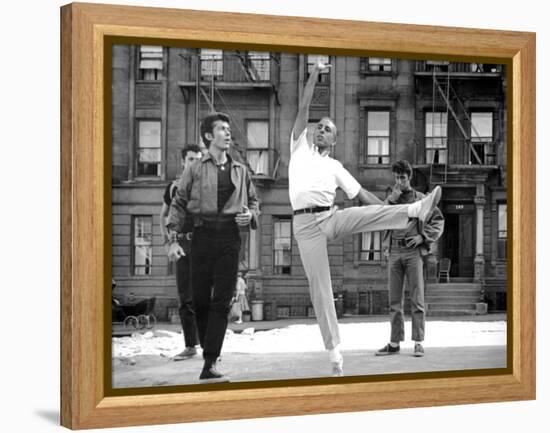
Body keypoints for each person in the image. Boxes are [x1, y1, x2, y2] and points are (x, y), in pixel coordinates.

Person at [289, 60, 442, 377]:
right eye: (319, 126)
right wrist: (316, 73)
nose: (320, 129)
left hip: (330, 217)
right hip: (305, 227)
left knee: (366, 212)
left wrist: (390, 213)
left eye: (328, 129)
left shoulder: (336, 168)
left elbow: (364, 199)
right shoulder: (299, 148)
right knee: (321, 287)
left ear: (334, 141)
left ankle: (416, 209)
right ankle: (334, 353)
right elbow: (303, 105)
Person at [166, 112, 259, 382]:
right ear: (208, 136)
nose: (228, 133)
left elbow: (254, 202)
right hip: (202, 236)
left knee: (222, 300)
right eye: (222, 129)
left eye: (229, 129)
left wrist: (250, 216)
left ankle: (210, 360)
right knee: (200, 300)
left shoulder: (241, 170)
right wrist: (172, 239)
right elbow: (179, 202)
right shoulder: (194, 168)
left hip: (230, 237)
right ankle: (209, 350)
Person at [376, 160, 444, 357]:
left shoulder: (421, 199)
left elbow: (438, 220)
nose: (400, 181)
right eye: (397, 178)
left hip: (414, 253)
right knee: (394, 300)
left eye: (403, 178)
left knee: (417, 298)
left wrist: (423, 237)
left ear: (409, 177)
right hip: (394, 252)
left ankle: (418, 342)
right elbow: (380, 217)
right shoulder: (392, 199)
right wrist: (392, 198)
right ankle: (394, 343)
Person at [159, 145, 203, 361]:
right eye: (191, 159)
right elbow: (163, 217)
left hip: (205, 247)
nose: (195, 163)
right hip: (183, 248)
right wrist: (169, 243)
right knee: (185, 299)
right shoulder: (174, 188)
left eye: (199, 159)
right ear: (184, 162)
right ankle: (190, 346)